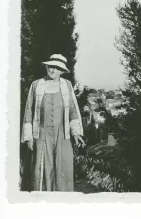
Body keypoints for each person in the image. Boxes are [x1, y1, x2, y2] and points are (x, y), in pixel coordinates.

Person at [21, 54, 84, 192]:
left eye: (57, 68)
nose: (53, 70)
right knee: (40, 169)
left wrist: (76, 132)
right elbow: (28, 112)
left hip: (62, 135)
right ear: (46, 66)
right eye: (51, 66)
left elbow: (73, 109)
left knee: (62, 168)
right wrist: (28, 137)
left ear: (62, 71)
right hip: (41, 135)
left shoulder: (67, 85)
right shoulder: (36, 85)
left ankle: (61, 205)